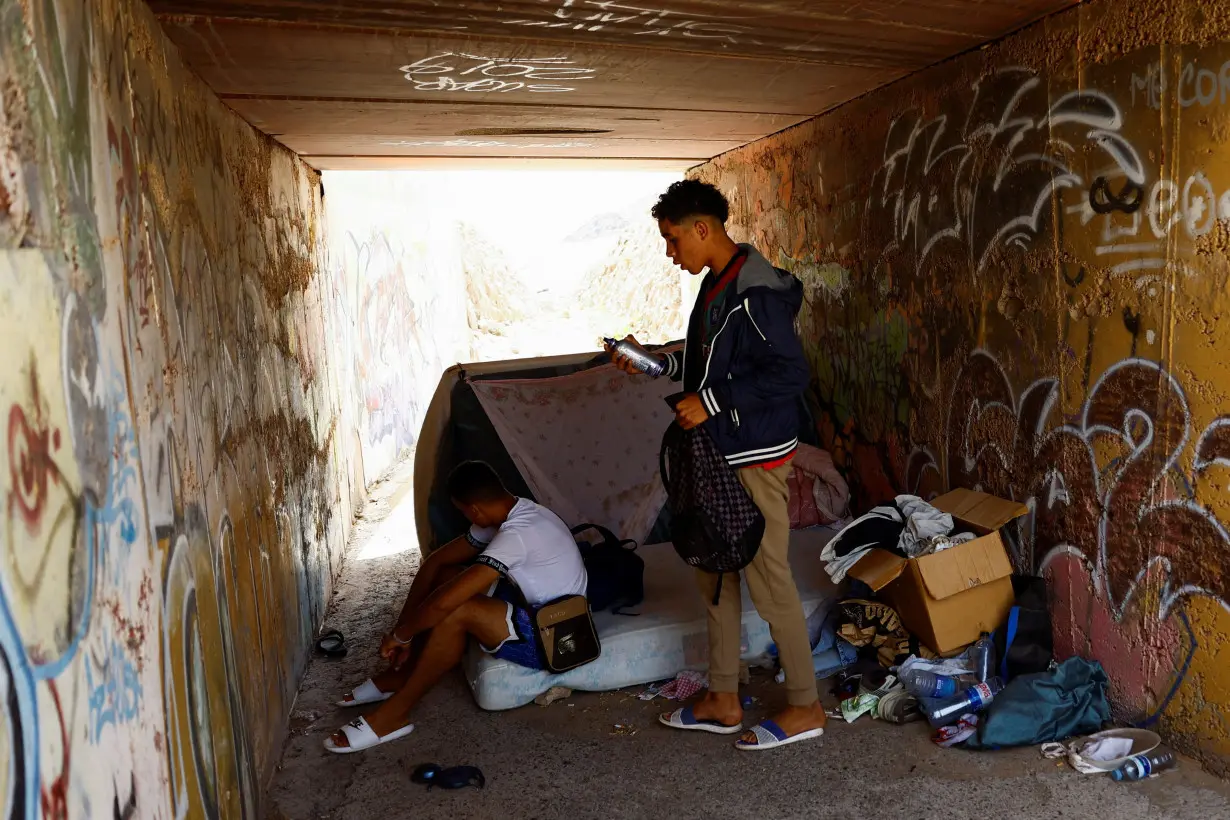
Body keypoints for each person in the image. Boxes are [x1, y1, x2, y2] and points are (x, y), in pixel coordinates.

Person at [608, 179, 825, 751]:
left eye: (673, 239)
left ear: (702, 229)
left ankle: (805, 706)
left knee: (768, 579)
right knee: (714, 568)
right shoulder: (718, 285)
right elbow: (717, 360)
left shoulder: (756, 291)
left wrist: (706, 403)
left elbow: (789, 374)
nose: (670, 252)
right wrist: (661, 360)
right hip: (720, 455)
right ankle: (723, 696)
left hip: (754, 457)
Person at [325, 460, 587, 753]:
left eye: (463, 511)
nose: (467, 517)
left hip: (559, 635)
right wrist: (402, 633)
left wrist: (403, 636)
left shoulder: (517, 535)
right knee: (446, 577)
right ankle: (402, 673)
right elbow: (436, 563)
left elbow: (448, 602)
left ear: (474, 510)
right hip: (535, 606)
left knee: (457, 610)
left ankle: (394, 715)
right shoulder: (513, 511)